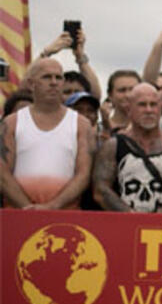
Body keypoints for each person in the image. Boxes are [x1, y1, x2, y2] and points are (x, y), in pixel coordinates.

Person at [3, 58, 94, 208]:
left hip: (65, 215)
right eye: (46, 77)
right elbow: (3, 174)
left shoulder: (81, 124)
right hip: (17, 216)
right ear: (32, 84)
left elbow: (84, 175)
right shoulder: (11, 123)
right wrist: (26, 207)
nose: (53, 82)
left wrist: (53, 206)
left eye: (58, 77)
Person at [91, 82, 162, 213]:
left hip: (161, 228)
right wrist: (131, 217)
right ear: (129, 110)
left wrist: (160, 216)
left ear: (160, 109)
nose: (149, 110)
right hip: (120, 226)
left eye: (153, 105)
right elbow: (100, 190)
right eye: (142, 105)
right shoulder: (113, 146)